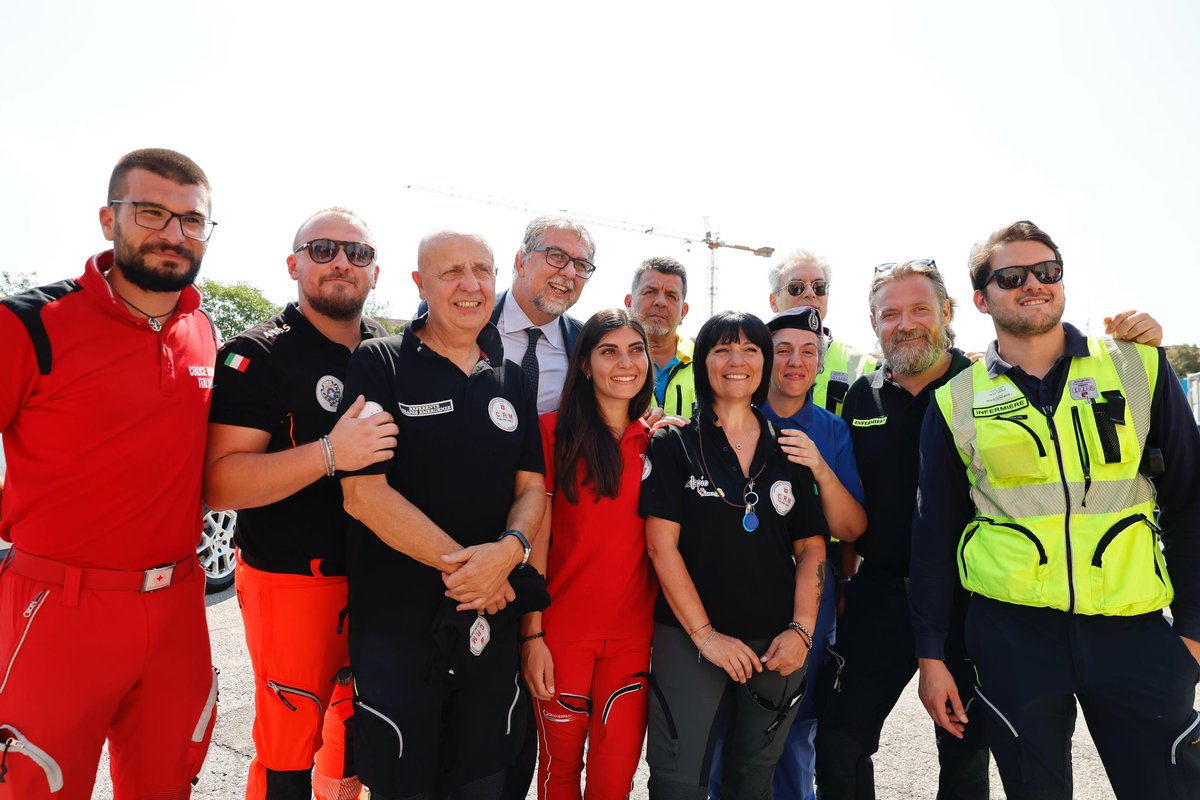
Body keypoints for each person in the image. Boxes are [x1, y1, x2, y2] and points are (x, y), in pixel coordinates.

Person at [911, 221, 1200, 799]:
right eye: (1011, 277)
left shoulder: (1136, 365)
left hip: (1133, 628)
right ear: (980, 298)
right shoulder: (955, 401)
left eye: (1047, 272)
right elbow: (933, 534)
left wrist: (1193, 629)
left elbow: (1191, 499)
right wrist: (931, 655)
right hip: (1013, 632)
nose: (1034, 285)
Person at [0, 148, 219, 799]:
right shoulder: (29, 323)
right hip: (59, 609)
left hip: (179, 606)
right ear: (108, 219)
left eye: (191, 220)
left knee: (167, 784)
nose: (173, 234)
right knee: (41, 787)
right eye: (152, 213)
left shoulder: (202, 329)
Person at [339, 231, 547, 798]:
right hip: (398, 629)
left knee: (484, 781)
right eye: (451, 271)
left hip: (490, 622)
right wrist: (474, 572)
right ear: (420, 284)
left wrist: (509, 553)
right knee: (405, 784)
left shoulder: (515, 379)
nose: (469, 283)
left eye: (481, 269)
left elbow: (532, 488)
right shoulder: (379, 361)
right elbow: (363, 494)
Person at [203, 208, 400, 800]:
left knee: (352, 747)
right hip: (293, 584)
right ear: (293, 264)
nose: (342, 261)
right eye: (323, 250)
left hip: (379, 581)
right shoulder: (258, 353)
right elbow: (221, 483)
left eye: (358, 253)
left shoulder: (391, 353)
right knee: (288, 753)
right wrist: (329, 453)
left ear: (375, 273)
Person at [813, 259, 990, 800]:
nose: (905, 323)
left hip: (969, 600)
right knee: (840, 743)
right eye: (890, 313)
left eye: (919, 309)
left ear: (947, 313)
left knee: (963, 754)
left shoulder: (983, 386)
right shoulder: (860, 397)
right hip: (881, 595)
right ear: (873, 323)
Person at [641, 310, 829, 799]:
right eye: (722, 349)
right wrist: (707, 638)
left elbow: (812, 547)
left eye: (750, 349)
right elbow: (662, 548)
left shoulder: (789, 448)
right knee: (677, 782)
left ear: (764, 363)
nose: (736, 361)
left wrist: (802, 631)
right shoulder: (674, 442)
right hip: (690, 639)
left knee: (753, 780)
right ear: (702, 362)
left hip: (776, 642)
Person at [710, 306, 866, 800]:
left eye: (809, 353)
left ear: (821, 363)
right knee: (722, 735)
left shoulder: (831, 430)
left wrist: (819, 468)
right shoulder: (723, 419)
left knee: (794, 733)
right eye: (782, 351)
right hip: (728, 607)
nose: (795, 363)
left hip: (805, 613)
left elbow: (851, 527)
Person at [521, 308, 658, 799]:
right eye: (609, 351)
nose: (626, 362)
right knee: (559, 774)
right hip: (562, 637)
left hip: (632, 641)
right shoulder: (552, 433)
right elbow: (536, 541)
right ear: (584, 364)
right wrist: (532, 633)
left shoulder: (663, 441)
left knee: (613, 780)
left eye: (636, 350)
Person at [495, 215, 593, 414]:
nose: (570, 273)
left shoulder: (587, 344)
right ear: (521, 262)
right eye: (557, 256)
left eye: (581, 264)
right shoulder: (470, 319)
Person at [767, 250, 876, 418]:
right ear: (773, 301)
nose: (810, 293)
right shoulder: (753, 358)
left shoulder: (867, 367)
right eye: (796, 287)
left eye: (819, 287)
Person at [625, 256, 695, 417]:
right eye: (650, 292)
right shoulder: (605, 361)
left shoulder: (706, 362)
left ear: (683, 312)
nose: (661, 302)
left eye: (671, 296)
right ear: (629, 303)